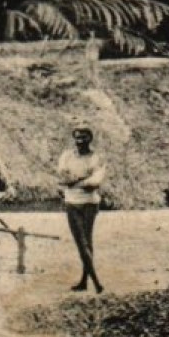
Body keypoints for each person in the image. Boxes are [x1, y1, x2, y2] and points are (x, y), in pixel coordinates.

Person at [56, 125, 106, 294]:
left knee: (86, 242)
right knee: (82, 243)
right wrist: (83, 179)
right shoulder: (67, 156)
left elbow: (95, 182)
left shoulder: (95, 158)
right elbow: (62, 178)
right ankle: (92, 282)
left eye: (83, 137)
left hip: (90, 203)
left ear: (90, 139)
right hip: (72, 202)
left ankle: (92, 282)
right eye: (77, 137)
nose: (80, 141)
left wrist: (76, 181)